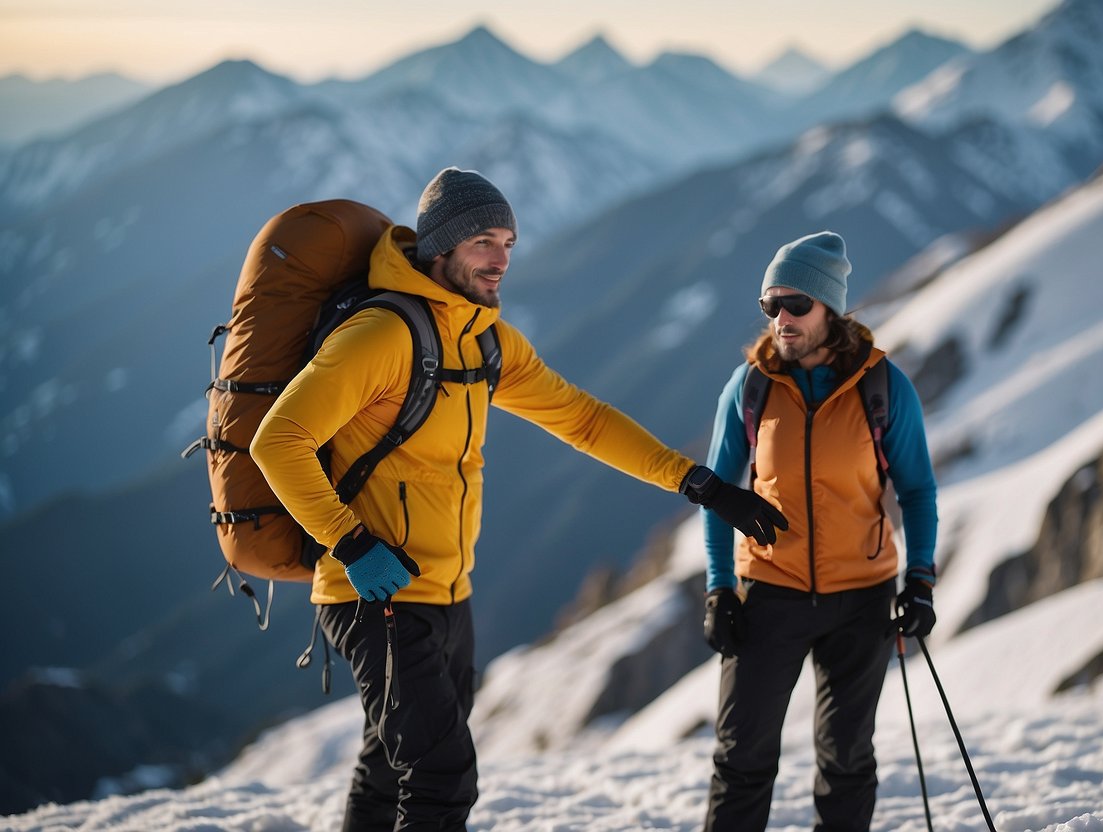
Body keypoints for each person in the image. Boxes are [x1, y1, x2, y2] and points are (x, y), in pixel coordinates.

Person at [250, 167, 787, 832]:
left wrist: (699, 485)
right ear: (440, 248)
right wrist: (351, 543)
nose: (502, 259)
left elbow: (582, 420)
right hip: (374, 594)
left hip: (447, 593)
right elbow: (278, 443)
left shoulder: (484, 340)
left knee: (391, 765)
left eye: (509, 241)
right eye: (484, 241)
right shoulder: (382, 335)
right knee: (441, 776)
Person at [698, 231, 939, 832]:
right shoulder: (749, 388)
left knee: (847, 761)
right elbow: (715, 491)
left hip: (863, 599)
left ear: (831, 308)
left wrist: (921, 579)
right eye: (769, 305)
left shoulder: (884, 389)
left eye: (796, 304)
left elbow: (918, 491)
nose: (781, 318)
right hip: (769, 595)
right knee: (742, 759)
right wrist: (720, 587)